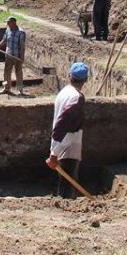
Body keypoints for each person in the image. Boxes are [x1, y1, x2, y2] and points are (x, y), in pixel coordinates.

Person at [45, 62, 89, 199]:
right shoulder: (77, 98)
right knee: (67, 187)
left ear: (70, 76)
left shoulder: (64, 92)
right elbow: (67, 127)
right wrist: (55, 153)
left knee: (63, 183)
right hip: (68, 147)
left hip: (60, 145)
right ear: (86, 79)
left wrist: (54, 150)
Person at [0, 16, 26, 95]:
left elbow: (22, 46)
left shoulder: (21, 32)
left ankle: (20, 90)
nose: (7, 24)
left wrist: (22, 57)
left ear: (14, 22)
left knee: (18, 73)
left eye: (9, 22)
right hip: (8, 55)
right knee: (6, 73)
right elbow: (4, 40)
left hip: (17, 56)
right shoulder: (8, 30)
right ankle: (6, 88)